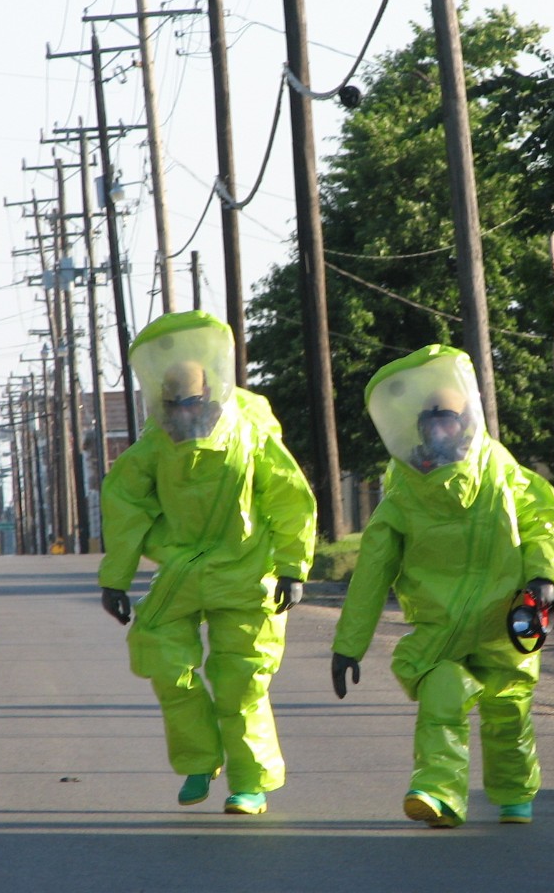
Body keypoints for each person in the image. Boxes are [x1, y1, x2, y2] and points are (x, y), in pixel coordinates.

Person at [330, 344, 554, 827]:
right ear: (419, 430)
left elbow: (546, 521)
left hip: (505, 620)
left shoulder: (501, 472)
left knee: (508, 712)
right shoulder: (403, 492)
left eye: (449, 420)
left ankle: (513, 795)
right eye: (431, 422)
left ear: (465, 423)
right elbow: (372, 572)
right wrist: (348, 646)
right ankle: (437, 794)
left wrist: (543, 577)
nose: (440, 431)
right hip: (440, 628)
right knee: (442, 700)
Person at [98, 310, 317, 815]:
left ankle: (250, 784)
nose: (182, 416)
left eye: (190, 405)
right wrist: (116, 578)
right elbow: (125, 506)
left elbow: (290, 499)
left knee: (241, 683)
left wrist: (292, 566)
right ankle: (200, 759)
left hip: (245, 574)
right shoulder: (156, 446)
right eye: (172, 407)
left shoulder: (250, 436)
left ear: (210, 397)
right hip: (183, 573)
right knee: (165, 664)